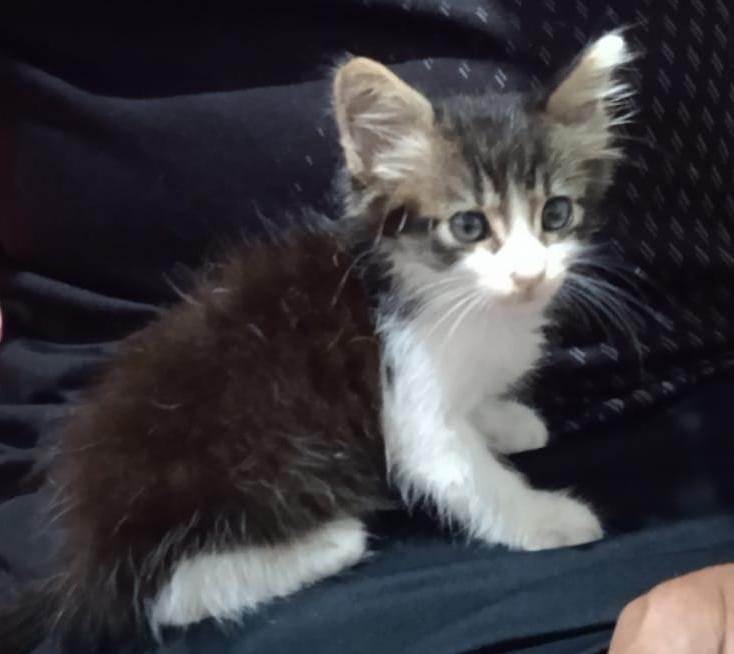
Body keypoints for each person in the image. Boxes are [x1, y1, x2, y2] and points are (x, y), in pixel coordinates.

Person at [1, 2, 732, 652]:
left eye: (554, 216)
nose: (527, 267)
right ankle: (186, 584)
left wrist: (478, 411)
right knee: (304, 505)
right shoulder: (405, 314)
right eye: (471, 227)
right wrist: (524, 518)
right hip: (204, 501)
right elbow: (429, 449)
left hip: (670, 435)